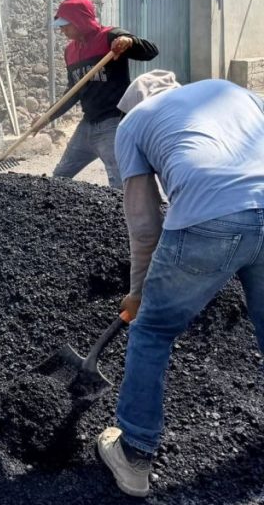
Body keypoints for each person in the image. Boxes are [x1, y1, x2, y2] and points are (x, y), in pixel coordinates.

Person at [97, 71, 264, 497]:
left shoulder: (133, 124)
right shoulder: (230, 91)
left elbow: (144, 223)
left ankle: (134, 453)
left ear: (131, 106)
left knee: (152, 331)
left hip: (209, 221)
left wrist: (138, 293)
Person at [46, 0, 158, 189]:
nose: (62, 30)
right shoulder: (70, 52)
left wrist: (129, 42)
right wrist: (47, 117)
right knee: (59, 177)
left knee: (120, 186)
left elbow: (150, 51)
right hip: (87, 125)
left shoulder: (110, 37)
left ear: (79, 20)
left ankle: (126, 218)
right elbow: (73, 92)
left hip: (112, 124)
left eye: (66, 24)